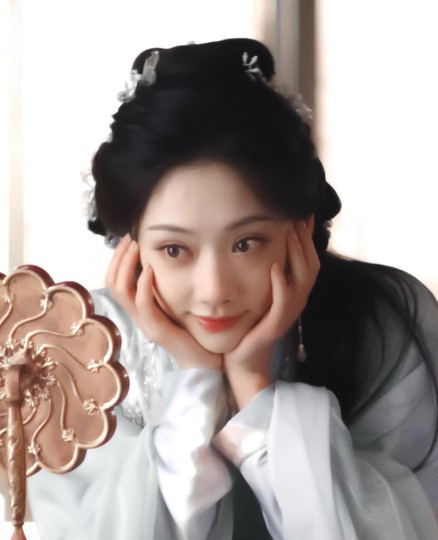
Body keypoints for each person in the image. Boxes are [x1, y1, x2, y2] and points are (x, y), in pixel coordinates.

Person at [27, 38, 438, 539]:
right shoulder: (82, 348)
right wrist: (195, 385)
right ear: (129, 246)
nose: (214, 290)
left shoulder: (383, 322)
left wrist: (255, 385)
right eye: (174, 249)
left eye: (246, 243)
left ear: (300, 229)